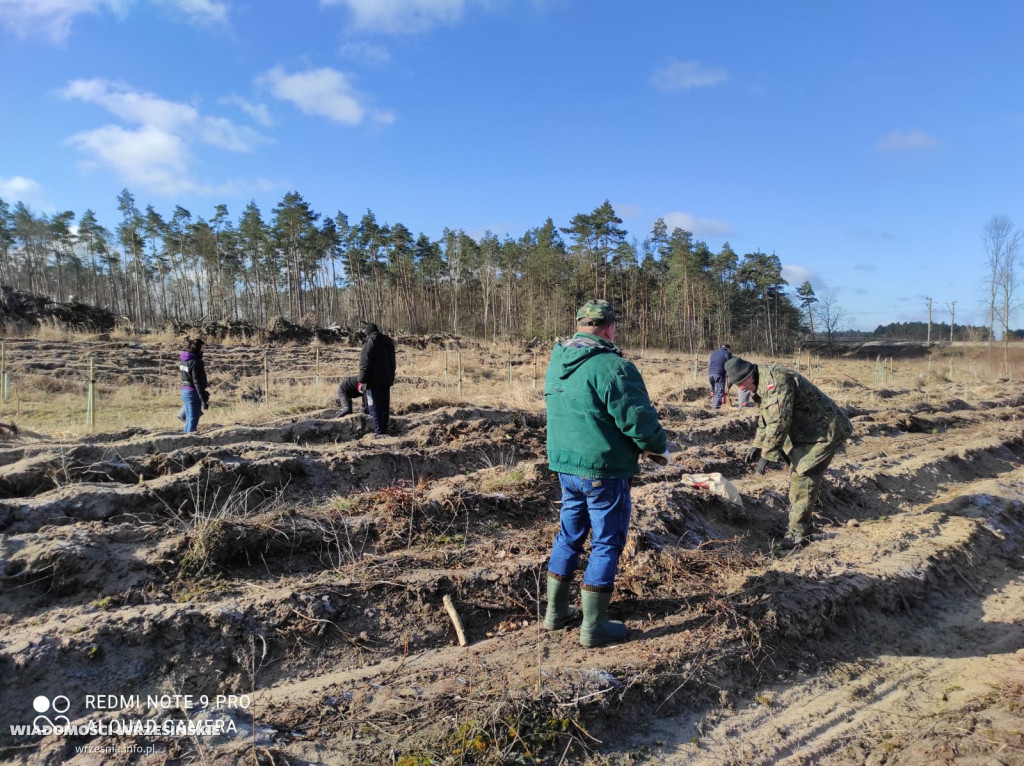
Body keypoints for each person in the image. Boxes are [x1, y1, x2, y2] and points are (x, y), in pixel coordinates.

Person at [543, 299, 669, 647]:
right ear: (610, 328)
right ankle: (593, 626)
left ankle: (555, 613)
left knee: (569, 534)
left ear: (581, 324)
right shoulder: (612, 366)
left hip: (566, 467)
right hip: (603, 470)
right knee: (606, 541)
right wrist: (658, 446)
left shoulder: (557, 362)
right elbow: (638, 420)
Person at [724, 355, 853, 549]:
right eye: (736, 385)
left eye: (741, 383)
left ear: (750, 374)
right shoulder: (761, 381)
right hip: (807, 433)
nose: (740, 388)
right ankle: (798, 529)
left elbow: (779, 422)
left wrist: (767, 455)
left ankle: (799, 536)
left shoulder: (776, 382)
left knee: (802, 478)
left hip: (824, 431)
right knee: (798, 477)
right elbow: (767, 417)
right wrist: (758, 444)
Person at [358, 322, 396, 436]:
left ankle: (379, 433)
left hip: (373, 382)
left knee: (375, 408)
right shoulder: (388, 342)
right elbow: (393, 363)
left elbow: (365, 363)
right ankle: (384, 430)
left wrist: (362, 380)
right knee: (384, 407)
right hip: (386, 380)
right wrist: (391, 377)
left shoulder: (370, 342)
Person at [179, 338, 210, 433]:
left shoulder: (184, 361)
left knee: (189, 420)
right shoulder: (196, 363)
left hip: (185, 391)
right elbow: (197, 382)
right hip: (193, 393)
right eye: (202, 348)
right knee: (193, 420)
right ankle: (189, 441)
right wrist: (203, 399)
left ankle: (185, 439)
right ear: (198, 349)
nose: (203, 351)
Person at [708, 343, 732, 409]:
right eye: (730, 350)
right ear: (728, 349)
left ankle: (713, 406)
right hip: (719, 375)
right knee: (718, 393)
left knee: (715, 393)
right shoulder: (727, 353)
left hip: (710, 374)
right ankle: (716, 410)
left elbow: (710, 363)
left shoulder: (714, 353)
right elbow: (730, 364)